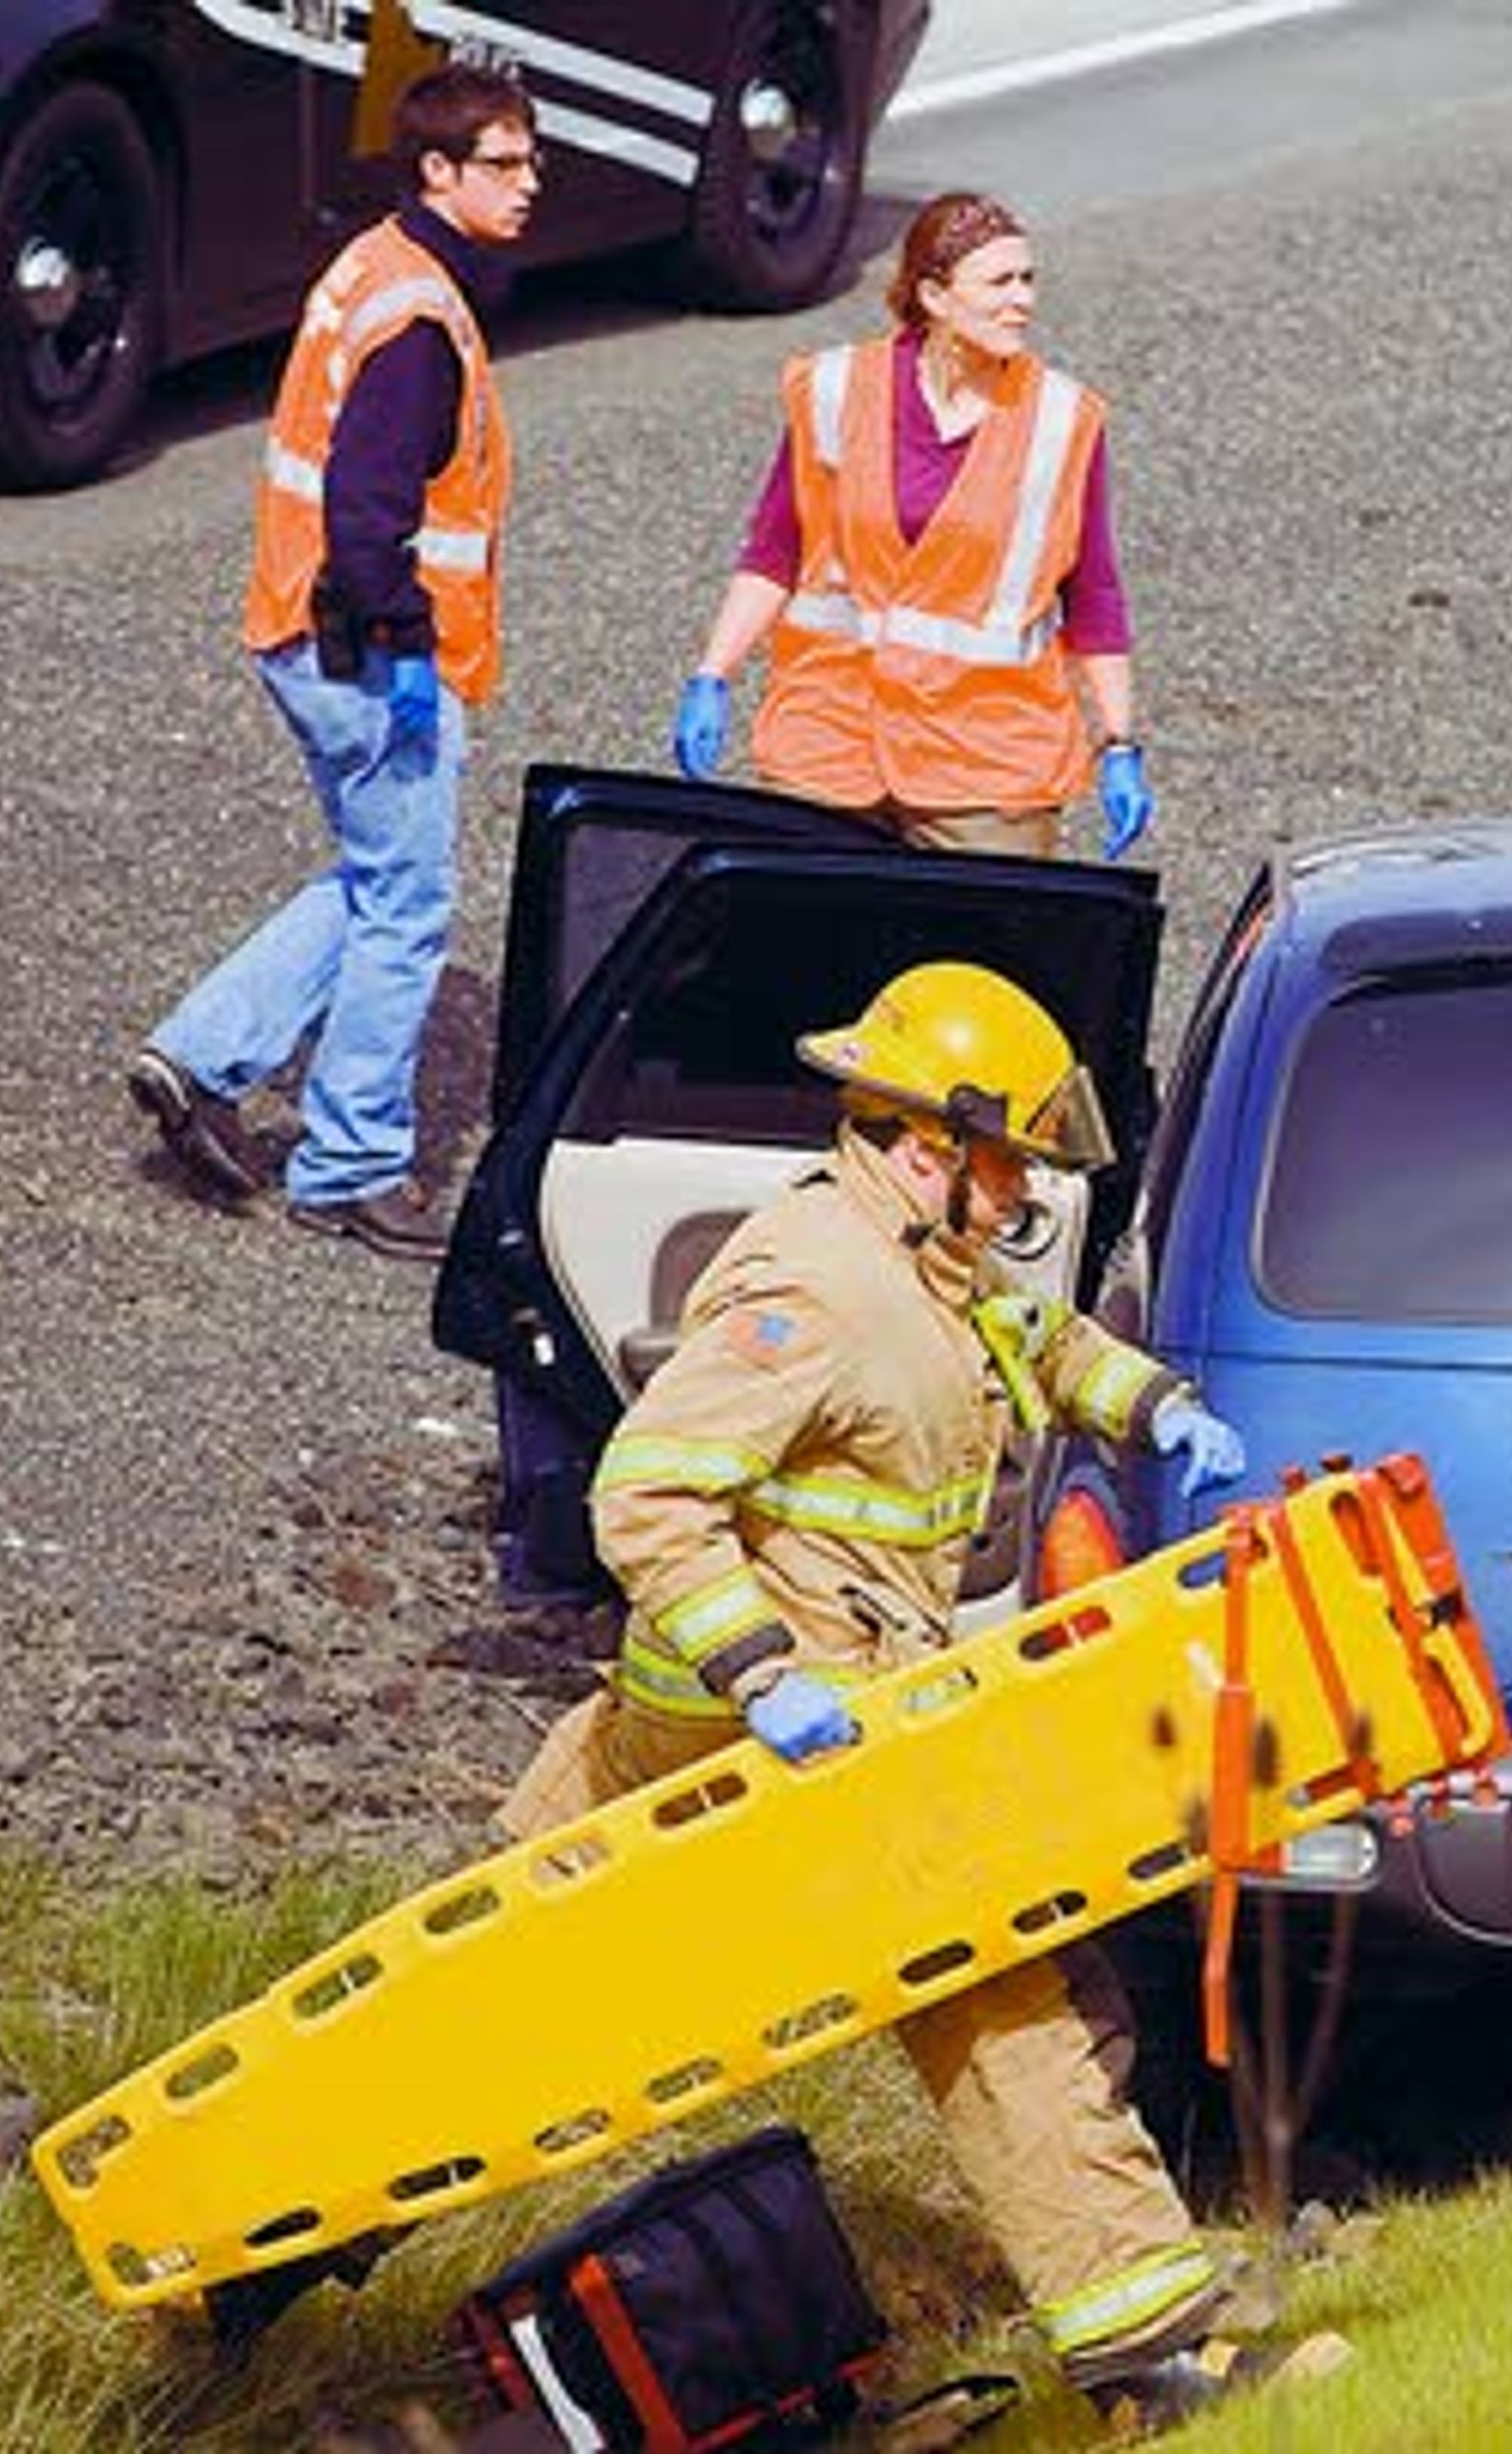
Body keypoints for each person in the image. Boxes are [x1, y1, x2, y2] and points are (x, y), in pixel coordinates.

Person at [495, 961, 1296, 2428]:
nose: (1025, 1196)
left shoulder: (927, 1267)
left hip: (802, 1721)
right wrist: (764, 1679)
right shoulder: (813, 1285)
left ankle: (1153, 2318)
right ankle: (1153, 2356)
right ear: (929, 1145)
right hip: (770, 1730)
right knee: (994, 1997)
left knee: (499, 1965)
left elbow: (1027, 1345)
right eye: (1010, 1166)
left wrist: (1154, 1405)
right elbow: (651, 1494)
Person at [126, 65, 536, 1261]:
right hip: (365, 652)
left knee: (374, 874)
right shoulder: (417, 322)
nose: (529, 185)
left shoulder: (377, 266)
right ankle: (350, 1166)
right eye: (502, 165)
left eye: (530, 160)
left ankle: (199, 1055)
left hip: (304, 630)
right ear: (438, 174)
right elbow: (367, 516)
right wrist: (408, 652)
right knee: (409, 904)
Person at [666, 193, 1152, 863]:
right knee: (806, 949)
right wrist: (712, 673)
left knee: (977, 961)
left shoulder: (1062, 421)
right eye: (999, 282)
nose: (1023, 301)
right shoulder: (837, 390)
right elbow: (777, 549)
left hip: (985, 761)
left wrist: (1119, 741)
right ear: (935, 295)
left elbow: (1093, 592)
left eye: (1028, 279)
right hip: (830, 737)